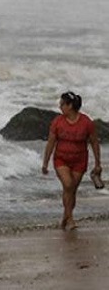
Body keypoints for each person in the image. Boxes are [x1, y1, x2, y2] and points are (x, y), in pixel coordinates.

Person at [42, 91, 102, 230]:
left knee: (71, 191)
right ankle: (70, 219)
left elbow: (94, 143)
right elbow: (51, 143)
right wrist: (45, 163)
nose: (60, 107)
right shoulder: (57, 122)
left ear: (70, 106)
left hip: (80, 161)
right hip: (61, 159)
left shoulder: (87, 123)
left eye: (62, 104)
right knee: (68, 185)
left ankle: (66, 216)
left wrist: (98, 163)